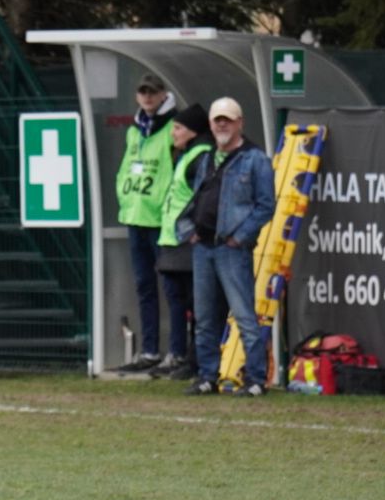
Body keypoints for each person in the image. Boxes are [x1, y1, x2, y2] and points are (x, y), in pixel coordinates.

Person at [181, 97, 277, 397]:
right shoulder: (207, 158)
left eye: (228, 120)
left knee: (245, 315)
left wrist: (240, 236)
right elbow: (196, 196)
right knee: (204, 318)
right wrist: (189, 230)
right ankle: (208, 376)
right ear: (210, 125)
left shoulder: (255, 159)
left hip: (231, 249)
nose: (222, 124)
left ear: (240, 123)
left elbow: (266, 205)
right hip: (203, 246)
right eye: (217, 120)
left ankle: (256, 379)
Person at [114, 73, 177, 371]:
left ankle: (177, 351)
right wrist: (125, 199)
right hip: (135, 217)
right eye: (143, 92)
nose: (147, 97)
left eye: (152, 92)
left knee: (172, 288)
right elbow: (126, 169)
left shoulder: (173, 128)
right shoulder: (134, 130)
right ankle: (149, 351)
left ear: (164, 94)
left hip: (161, 221)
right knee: (144, 286)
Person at [151, 103, 213, 381]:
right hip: (174, 242)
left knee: (196, 305)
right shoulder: (188, 155)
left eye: (177, 128)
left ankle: (196, 359)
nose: (172, 133)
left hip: (187, 243)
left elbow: (203, 199)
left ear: (192, 131)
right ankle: (182, 355)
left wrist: (194, 230)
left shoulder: (201, 158)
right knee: (180, 303)